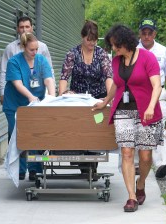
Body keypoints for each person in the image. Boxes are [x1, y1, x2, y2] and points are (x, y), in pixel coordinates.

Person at [93, 25, 164, 212]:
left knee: (146, 156)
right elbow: (117, 84)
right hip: (123, 111)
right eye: (112, 47)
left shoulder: (147, 57)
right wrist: (106, 101)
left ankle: (140, 184)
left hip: (146, 111)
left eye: (117, 46)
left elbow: (157, 86)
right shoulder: (116, 61)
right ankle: (132, 197)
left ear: (126, 43)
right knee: (126, 152)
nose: (114, 50)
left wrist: (150, 106)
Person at [0, 16, 54, 181]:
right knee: (18, 134)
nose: (35, 52)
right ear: (23, 47)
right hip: (15, 104)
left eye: (37, 49)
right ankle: (20, 169)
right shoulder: (14, 62)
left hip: (35, 104)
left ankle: (35, 169)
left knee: (36, 133)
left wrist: (51, 97)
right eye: (32, 50)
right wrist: (32, 97)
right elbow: (18, 84)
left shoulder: (41, 59)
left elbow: (49, 79)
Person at [59, 20, 113, 177]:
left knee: (95, 130)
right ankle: (83, 162)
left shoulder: (101, 54)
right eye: (89, 39)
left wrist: (109, 99)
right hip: (78, 100)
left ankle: (91, 163)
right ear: (82, 37)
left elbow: (108, 76)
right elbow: (64, 76)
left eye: (95, 39)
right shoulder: (72, 54)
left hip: (97, 100)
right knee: (80, 130)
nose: (92, 42)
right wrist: (62, 95)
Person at [137, 18, 166, 178]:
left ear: (155, 33)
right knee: (143, 130)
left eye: (150, 33)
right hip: (141, 95)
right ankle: (147, 161)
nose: (147, 36)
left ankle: (163, 163)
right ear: (139, 33)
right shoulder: (133, 50)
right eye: (144, 33)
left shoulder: (163, 50)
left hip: (160, 93)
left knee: (160, 128)